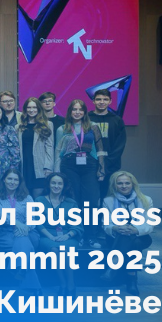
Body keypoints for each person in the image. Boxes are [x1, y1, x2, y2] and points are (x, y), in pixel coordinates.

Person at [55, 99, 105, 249]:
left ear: (84, 112)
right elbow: (59, 151)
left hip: (89, 166)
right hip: (69, 166)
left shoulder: (93, 126)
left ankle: (91, 236)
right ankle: (78, 235)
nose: (77, 112)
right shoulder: (62, 129)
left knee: (91, 202)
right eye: (74, 109)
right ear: (70, 111)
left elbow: (100, 149)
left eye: (80, 109)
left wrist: (101, 169)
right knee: (73, 201)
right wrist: (56, 172)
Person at [101, 171, 154, 296]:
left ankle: (113, 265)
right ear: (114, 185)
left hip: (141, 235)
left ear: (133, 184)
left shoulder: (146, 200)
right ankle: (132, 279)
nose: (124, 186)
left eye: (127, 183)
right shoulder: (108, 201)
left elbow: (150, 224)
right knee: (134, 244)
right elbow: (106, 224)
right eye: (120, 183)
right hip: (117, 237)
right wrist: (116, 228)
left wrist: (135, 230)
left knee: (133, 238)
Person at [0, 168, 41, 293]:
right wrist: (19, 224)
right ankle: (31, 283)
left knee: (22, 238)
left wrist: (26, 227)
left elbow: (32, 218)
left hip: (29, 232)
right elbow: (4, 216)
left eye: (15, 180)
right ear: (4, 180)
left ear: (19, 182)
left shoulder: (28, 198)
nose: (12, 182)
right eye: (9, 179)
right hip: (6, 233)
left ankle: (18, 268)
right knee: (25, 245)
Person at [36, 172, 82, 296]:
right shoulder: (39, 201)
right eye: (53, 183)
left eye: (59, 183)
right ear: (49, 184)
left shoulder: (71, 202)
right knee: (54, 250)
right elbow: (37, 222)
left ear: (64, 186)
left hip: (68, 235)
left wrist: (67, 236)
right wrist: (51, 237)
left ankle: (71, 284)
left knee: (65, 250)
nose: (56, 186)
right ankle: (63, 283)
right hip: (47, 235)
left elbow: (77, 225)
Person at [88, 89, 127, 207]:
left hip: (111, 166)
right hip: (90, 165)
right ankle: (91, 218)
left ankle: (105, 218)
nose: (102, 102)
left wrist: (107, 164)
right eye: (98, 99)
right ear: (93, 101)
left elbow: (119, 145)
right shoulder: (86, 119)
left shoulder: (117, 120)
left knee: (107, 197)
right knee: (90, 196)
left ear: (110, 101)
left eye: (105, 99)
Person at [16, 97, 54, 197]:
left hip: (40, 166)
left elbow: (49, 147)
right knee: (25, 198)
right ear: (25, 109)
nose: (31, 110)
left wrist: (48, 167)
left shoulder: (47, 125)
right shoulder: (19, 126)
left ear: (39, 109)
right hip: (24, 166)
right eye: (29, 107)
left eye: (34, 107)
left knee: (38, 199)